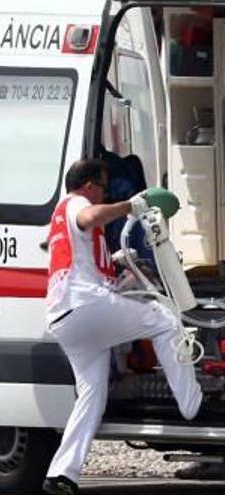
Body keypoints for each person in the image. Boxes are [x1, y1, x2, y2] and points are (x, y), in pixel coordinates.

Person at [41, 159, 203, 495]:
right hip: (84, 307)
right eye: (102, 187)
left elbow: (92, 270)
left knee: (92, 394)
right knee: (165, 320)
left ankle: (61, 475)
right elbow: (90, 216)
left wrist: (122, 269)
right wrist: (132, 205)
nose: (104, 193)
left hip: (66, 317)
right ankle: (193, 405)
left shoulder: (69, 226)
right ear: (88, 185)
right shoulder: (77, 204)